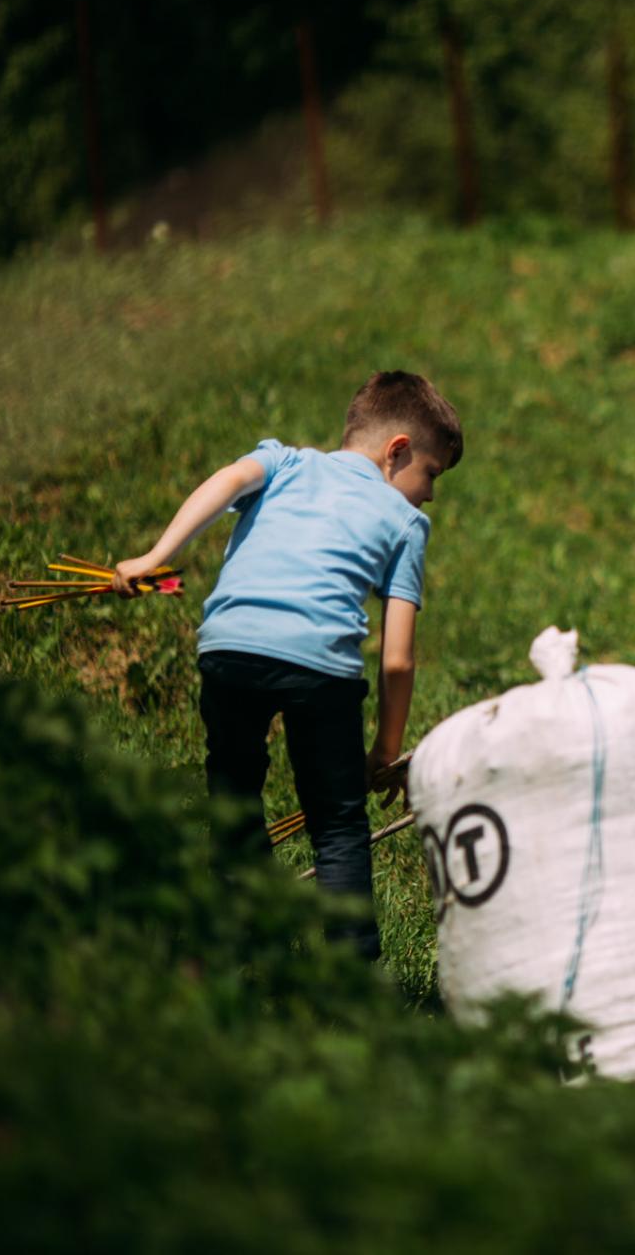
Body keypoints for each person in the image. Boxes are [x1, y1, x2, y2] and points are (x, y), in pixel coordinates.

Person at [113, 371, 461, 959]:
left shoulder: (284, 463)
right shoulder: (406, 523)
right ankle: (352, 982)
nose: (429, 494)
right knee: (337, 826)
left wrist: (155, 556)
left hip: (229, 646)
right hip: (319, 668)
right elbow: (398, 661)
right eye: (430, 474)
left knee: (234, 791)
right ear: (396, 450)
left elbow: (226, 483)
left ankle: (239, 940)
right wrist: (385, 748)